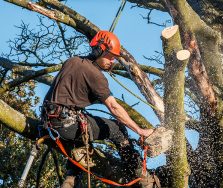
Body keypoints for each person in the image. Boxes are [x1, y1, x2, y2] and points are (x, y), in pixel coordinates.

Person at [41, 31, 155, 187]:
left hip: (48, 122)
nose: (112, 60)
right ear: (99, 50)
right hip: (67, 124)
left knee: (81, 147)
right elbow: (113, 107)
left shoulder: (72, 61)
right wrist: (140, 131)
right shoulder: (95, 75)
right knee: (117, 129)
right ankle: (143, 179)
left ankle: (70, 180)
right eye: (110, 56)